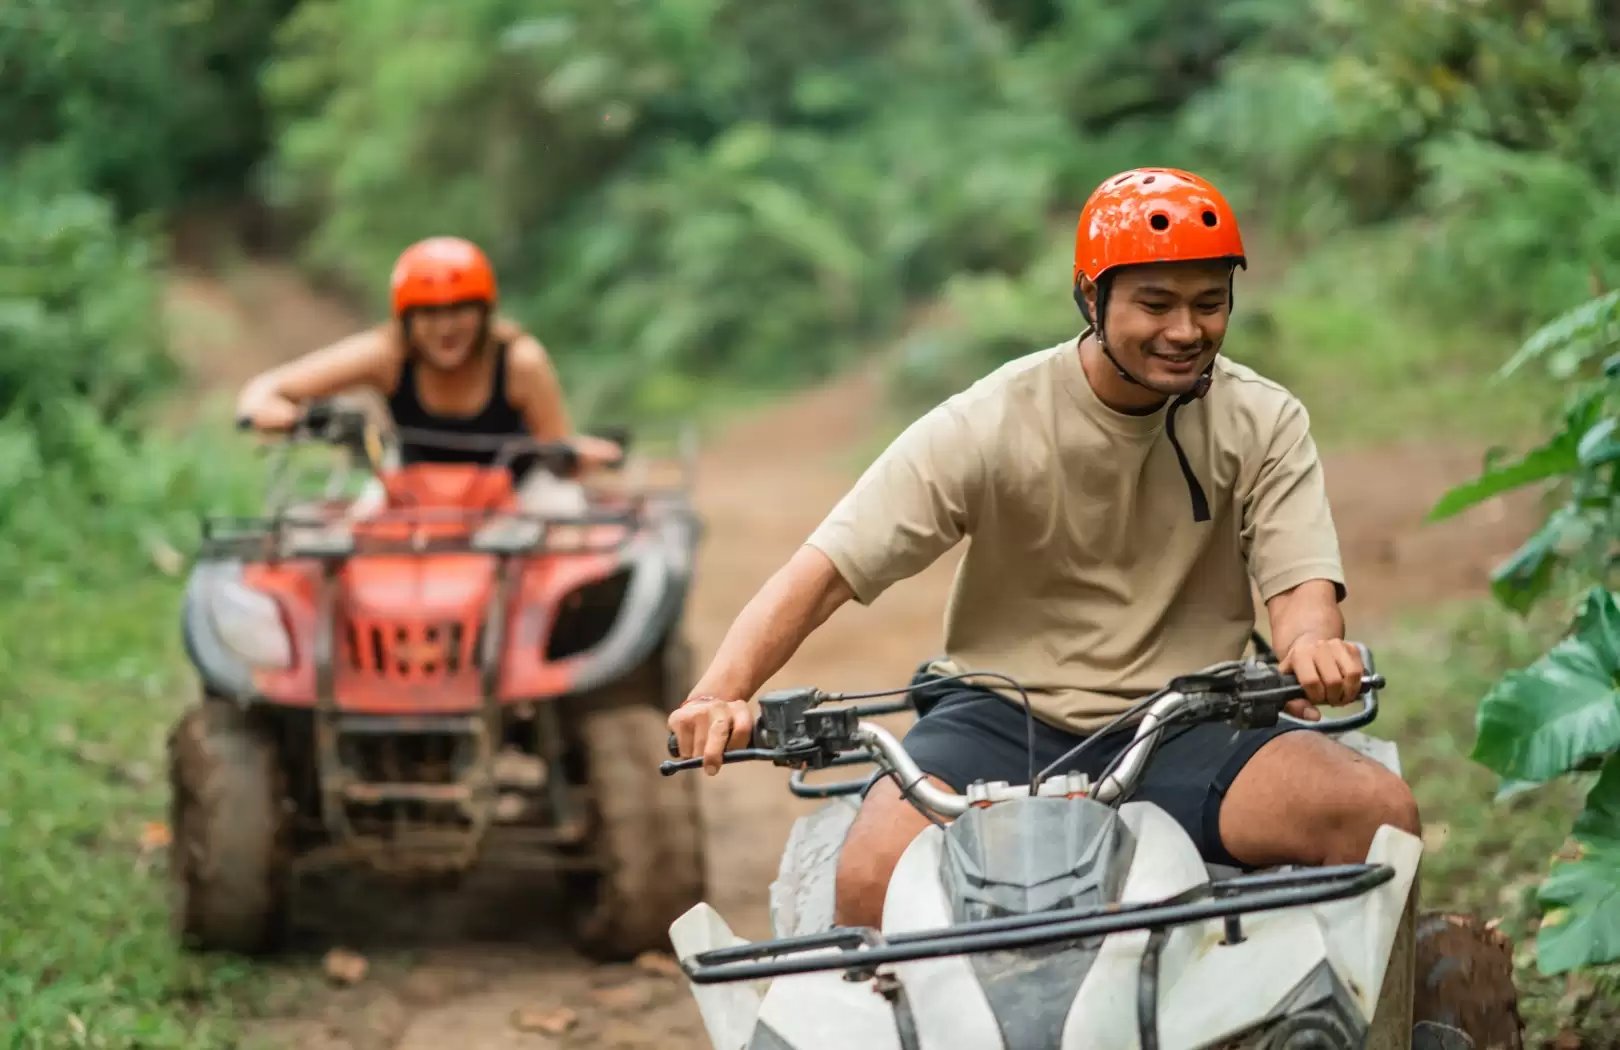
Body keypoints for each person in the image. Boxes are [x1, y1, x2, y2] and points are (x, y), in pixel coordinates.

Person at [668, 167, 1421, 930]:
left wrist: (1313, 650)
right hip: (998, 718)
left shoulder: (1263, 420)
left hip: (1190, 716)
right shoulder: (991, 421)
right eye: (1155, 303)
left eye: (1210, 303)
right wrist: (719, 692)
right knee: (871, 879)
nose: (1186, 330)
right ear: (1092, 300)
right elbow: (826, 570)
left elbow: (1300, 592)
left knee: (1371, 813)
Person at [234, 236, 620, 517]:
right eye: (428, 314)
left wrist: (581, 453)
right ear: (406, 318)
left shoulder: (520, 361)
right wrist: (275, 412)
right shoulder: (387, 355)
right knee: (341, 547)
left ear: (485, 313)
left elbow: (557, 449)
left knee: (569, 532)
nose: (445, 327)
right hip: (411, 491)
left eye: (460, 310)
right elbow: (265, 388)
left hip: (516, 491)